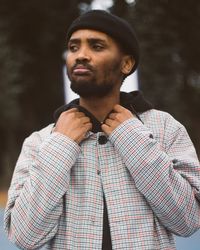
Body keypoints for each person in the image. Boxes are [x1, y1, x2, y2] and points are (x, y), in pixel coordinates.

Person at [4, 9, 200, 250]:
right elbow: (25, 237)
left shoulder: (165, 128)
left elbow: (188, 221)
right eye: (74, 47)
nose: (81, 55)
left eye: (96, 46)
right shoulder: (41, 141)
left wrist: (131, 138)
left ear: (126, 64)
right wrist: (61, 146)